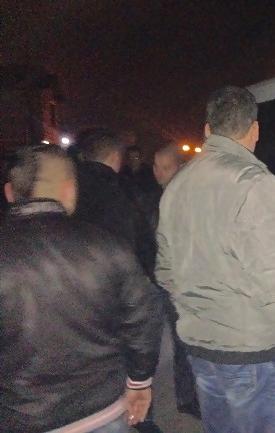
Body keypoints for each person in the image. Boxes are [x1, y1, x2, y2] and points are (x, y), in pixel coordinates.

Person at [155, 86, 275, 433]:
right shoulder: (253, 182)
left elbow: (165, 271)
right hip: (249, 352)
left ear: (208, 130)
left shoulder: (177, 185)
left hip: (200, 347)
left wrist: (200, 310)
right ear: (254, 129)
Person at [0, 145, 162, 433]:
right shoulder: (106, 246)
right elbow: (143, 319)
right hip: (101, 409)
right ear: (68, 189)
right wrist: (139, 381)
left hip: (21, 417)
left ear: (9, 192)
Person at [144, 142, 202, 419]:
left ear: (180, 168)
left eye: (165, 167)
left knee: (183, 343)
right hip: (156, 282)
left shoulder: (188, 200)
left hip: (179, 283)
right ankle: (147, 405)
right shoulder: (149, 198)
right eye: (156, 166)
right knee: (150, 347)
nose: (158, 173)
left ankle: (186, 397)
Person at [73, 128, 156, 278]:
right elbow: (143, 242)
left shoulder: (70, 188)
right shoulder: (124, 192)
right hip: (114, 277)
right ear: (116, 156)